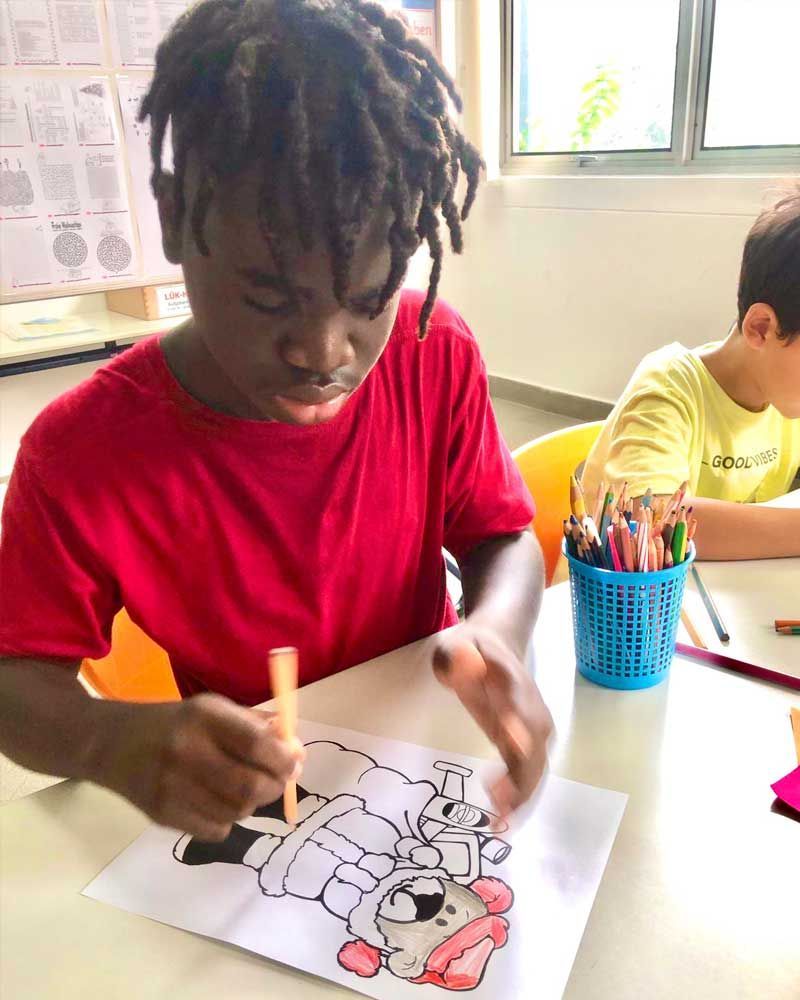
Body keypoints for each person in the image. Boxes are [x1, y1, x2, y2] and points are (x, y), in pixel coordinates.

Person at [0, 0, 551, 844]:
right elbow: (15, 680)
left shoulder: (432, 349)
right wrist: (107, 741)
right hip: (257, 812)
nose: (323, 352)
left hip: (416, 765)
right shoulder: (80, 451)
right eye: (268, 298)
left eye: (368, 300)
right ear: (178, 219)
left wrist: (496, 634)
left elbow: (502, 537)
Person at [582, 188, 800, 559]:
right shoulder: (669, 386)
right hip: (623, 608)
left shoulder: (784, 390)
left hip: (723, 590)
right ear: (761, 328)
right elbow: (651, 522)